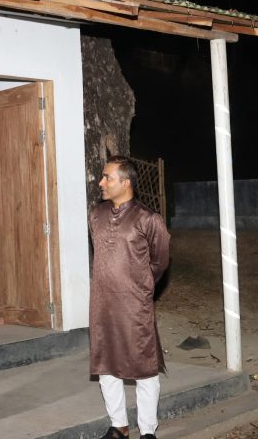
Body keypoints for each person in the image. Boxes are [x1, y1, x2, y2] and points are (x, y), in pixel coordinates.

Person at [89, 155, 171, 439]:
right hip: (102, 303)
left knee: (144, 365)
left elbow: (160, 261)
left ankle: (147, 430)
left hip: (135, 304)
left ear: (126, 183)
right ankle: (119, 426)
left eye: (108, 177)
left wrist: (141, 285)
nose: (101, 182)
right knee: (106, 363)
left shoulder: (148, 219)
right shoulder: (96, 215)